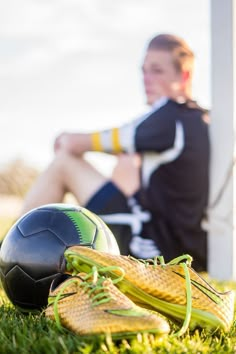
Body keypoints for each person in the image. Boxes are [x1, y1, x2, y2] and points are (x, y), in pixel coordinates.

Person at [21, 33, 210, 271]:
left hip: (153, 249)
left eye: (157, 71)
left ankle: (11, 251)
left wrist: (66, 139)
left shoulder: (170, 117)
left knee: (64, 165)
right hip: (190, 251)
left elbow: (74, 144)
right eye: (143, 71)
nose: (146, 79)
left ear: (184, 76)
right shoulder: (202, 120)